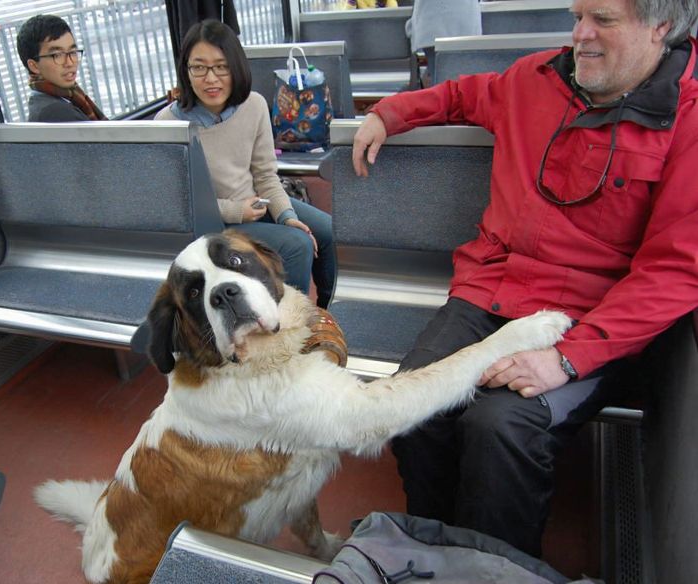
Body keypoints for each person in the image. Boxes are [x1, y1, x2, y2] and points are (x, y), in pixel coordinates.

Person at [351, 0, 698, 558]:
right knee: (412, 402)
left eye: (603, 21)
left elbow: (673, 270)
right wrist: (390, 112)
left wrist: (567, 358)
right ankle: (430, 548)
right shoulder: (533, 80)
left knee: (501, 427)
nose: (580, 35)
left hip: (586, 318)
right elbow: (460, 95)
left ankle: (495, 567)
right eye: (578, 15)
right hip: (491, 289)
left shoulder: (688, 120)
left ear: (661, 28)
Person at [156, 20, 335, 308]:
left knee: (326, 229)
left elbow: (265, 174)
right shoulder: (169, 123)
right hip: (211, 222)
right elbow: (175, 204)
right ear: (186, 71)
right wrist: (236, 210)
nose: (210, 78)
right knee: (297, 245)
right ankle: (288, 323)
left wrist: (286, 216)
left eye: (221, 66)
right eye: (199, 67)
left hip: (254, 202)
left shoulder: (254, 105)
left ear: (235, 67)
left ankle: (324, 310)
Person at [16, 14, 108, 122]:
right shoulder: (55, 112)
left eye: (72, 52)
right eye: (57, 55)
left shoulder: (62, 98)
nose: (70, 62)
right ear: (34, 66)